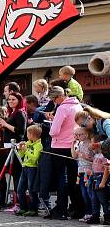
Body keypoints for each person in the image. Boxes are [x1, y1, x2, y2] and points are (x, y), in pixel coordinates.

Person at [47, 85, 83, 220]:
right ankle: (76, 207)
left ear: (59, 96)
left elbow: (54, 131)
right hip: (73, 145)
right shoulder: (77, 105)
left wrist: (51, 125)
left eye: (54, 99)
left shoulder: (62, 108)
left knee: (62, 178)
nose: (54, 102)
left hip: (60, 146)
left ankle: (60, 209)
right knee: (74, 178)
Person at [16, 124, 43, 217]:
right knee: (20, 189)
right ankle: (23, 207)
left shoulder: (38, 145)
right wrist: (20, 149)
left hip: (32, 168)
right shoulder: (28, 142)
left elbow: (35, 158)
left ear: (32, 134)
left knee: (32, 190)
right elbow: (22, 155)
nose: (26, 135)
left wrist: (26, 150)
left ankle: (33, 209)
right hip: (24, 167)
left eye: (27, 133)